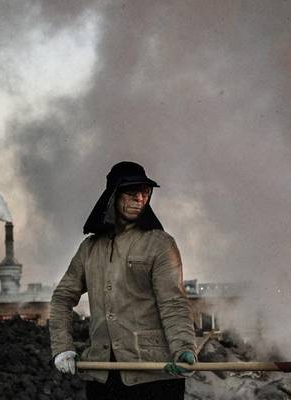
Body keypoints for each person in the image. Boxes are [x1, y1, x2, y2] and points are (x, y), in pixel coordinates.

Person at [48, 161, 197, 399]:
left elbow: (173, 303)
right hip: (102, 376)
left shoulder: (159, 244)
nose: (140, 198)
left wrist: (184, 348)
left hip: (153, 375)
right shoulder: (89, 248)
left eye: (145, 192)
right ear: (113, 196)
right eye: (132, 192)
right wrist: (62, 348)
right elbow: (62, 298)